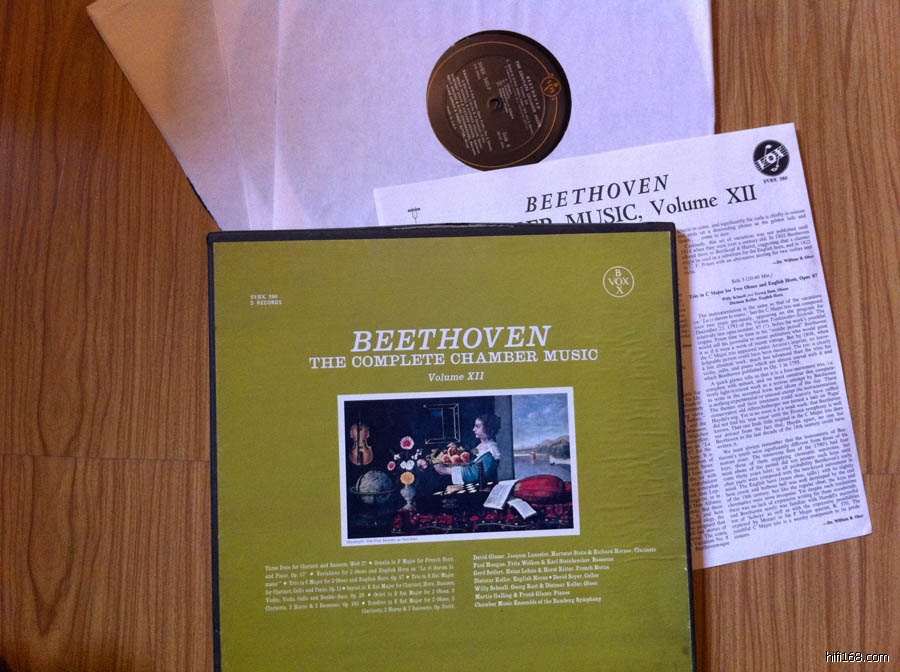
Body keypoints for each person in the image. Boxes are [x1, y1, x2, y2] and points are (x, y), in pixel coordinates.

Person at [434, 414, 501, 484]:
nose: (473, 429)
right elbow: (470, 456)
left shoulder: (492, 452)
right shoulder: (480, 446)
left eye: (477, 426)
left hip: (483, 487)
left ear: (488, 428)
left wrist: (446, 470)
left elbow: (474, 474)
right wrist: (456, 450)